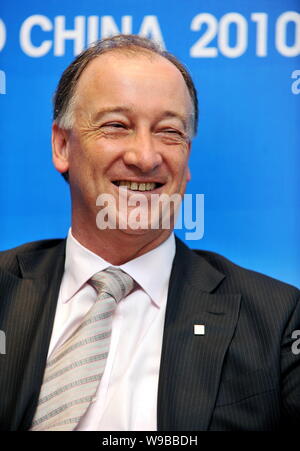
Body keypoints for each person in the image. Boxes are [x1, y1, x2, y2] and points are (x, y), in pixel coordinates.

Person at [0, 34, 299, 431]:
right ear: (62, 146)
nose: (145, 157)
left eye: (169, 132)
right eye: (117, 126)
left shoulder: (277, 318)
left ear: (187, 159)